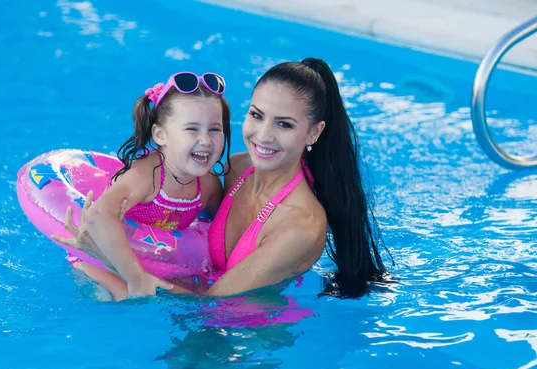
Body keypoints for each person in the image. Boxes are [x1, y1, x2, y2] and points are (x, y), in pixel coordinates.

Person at [56, 58, 390, 299]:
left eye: (284, 124)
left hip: (246, 337)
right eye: (256, 115)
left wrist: (109, 259)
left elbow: (212, 305)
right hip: (189, 299)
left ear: (313, 132)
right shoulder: (235, 170)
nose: (263, 135)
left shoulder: (300, 227)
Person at [53, 72, 232, 300]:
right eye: (192, 129)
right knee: (122, 299)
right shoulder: (147, 174)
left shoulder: (208, 184)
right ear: (160, 135)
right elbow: (98, 215)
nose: (206, 140)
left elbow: (219, 230)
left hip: (163, 262)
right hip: (101, 257)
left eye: (215, 129)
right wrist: (136, 277)